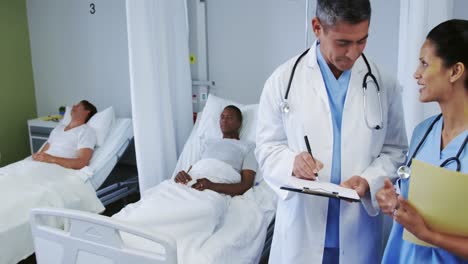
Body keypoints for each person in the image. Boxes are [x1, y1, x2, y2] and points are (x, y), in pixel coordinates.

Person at [255, 0, 408, 263]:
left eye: (362, 41)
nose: (354, 53)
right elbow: (267, 148)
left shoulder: (384, 84)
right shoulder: (282, 81)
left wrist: (368, 180)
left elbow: (395, 150)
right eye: (343, 43)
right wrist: (292, 162)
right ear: (317, 27)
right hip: (303, 228)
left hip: (357, 227)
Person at [377, 19, 468, 263]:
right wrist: (395, 204)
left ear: (455, 71)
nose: (417, 73)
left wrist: (429, 235)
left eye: (425, 64)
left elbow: (424, 228)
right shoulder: (422, 133)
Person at [174, 105, 257, 195]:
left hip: (214, 189)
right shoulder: (207, 143)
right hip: (192, 183)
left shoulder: (248, 147)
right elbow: (194, 169)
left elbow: (246, 185)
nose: (224, 121)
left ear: (239, 123)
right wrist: (181, 176)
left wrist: (211, 186)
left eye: (229, 118)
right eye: (222, 117)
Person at [32, 100, 97, 169]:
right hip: (42, 165)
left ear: (87, 111)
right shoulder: (58, 128)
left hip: (59, 168)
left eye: (78, 106)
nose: (73, 106)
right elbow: (44, 152)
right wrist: (37, 156)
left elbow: (82, 162)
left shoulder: (86, 131)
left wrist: (51, 159)